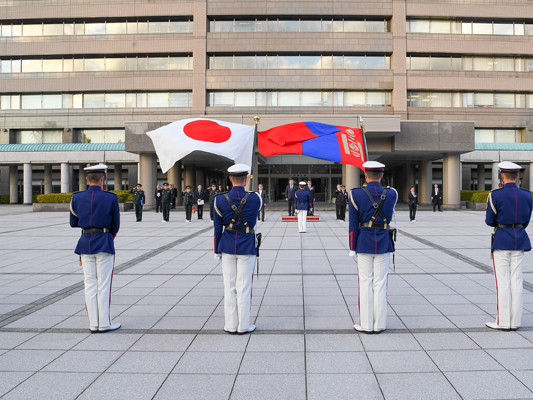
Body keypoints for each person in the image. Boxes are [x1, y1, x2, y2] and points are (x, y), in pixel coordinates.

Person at [69, 164, 121, 333]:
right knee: (104, 285)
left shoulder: (76, 198)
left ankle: (93, 324)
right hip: (104, 242)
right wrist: (107, 236)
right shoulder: (111, 198)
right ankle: (104, 323)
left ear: (86, 179)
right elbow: (116, 225)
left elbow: (73, 223)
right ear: (102, 178)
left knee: (89, 284)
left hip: (85, 243)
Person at [348, 161, 398, 334]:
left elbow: (353, 224)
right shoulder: (392, 194)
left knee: (365, 283)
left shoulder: (355, 194)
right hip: (383, 242)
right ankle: (380, 324)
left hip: (363, 242)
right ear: (382, 175)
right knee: (380, 283)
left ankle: (366, 324)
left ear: (365, 175)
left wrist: (351, 247)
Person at [214, 163, 262, 335]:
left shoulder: (219, 199)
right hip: (247, 245)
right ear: (247, 179)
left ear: (229, 179)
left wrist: (216, 250)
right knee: (244, 286)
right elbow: (255, 216)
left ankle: (230, 325)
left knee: (229, 286)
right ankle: (244, 325)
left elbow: (217, 228)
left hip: (226, 245)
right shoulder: (256, 197)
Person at [485, 161, 532, 331]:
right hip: (519, 239)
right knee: (517, 281)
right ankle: (515, 322)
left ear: (502, 176)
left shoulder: (495, 195)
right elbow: (526, 220)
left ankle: (503, 322)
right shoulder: (527, 195)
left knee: (503, 282)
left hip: (502, 240)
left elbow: (489, 221)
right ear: (517, 176)